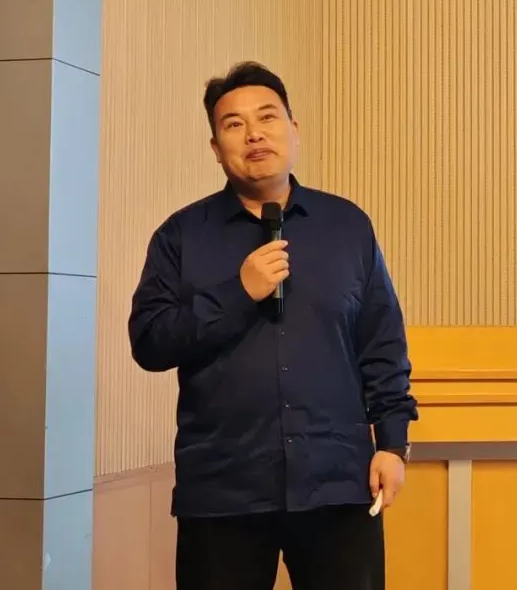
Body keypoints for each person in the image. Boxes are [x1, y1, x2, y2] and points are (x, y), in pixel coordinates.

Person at [127, 61, 418, 590]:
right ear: (216, 148)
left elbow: (382, 343)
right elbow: (149, 342)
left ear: (294, 129)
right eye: (234, 124)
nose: (254, 134)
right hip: (223, 490)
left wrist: (393, 444)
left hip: (337, 482)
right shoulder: (181, 236)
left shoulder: (347, 226)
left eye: (267, 117)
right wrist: (237, 293)